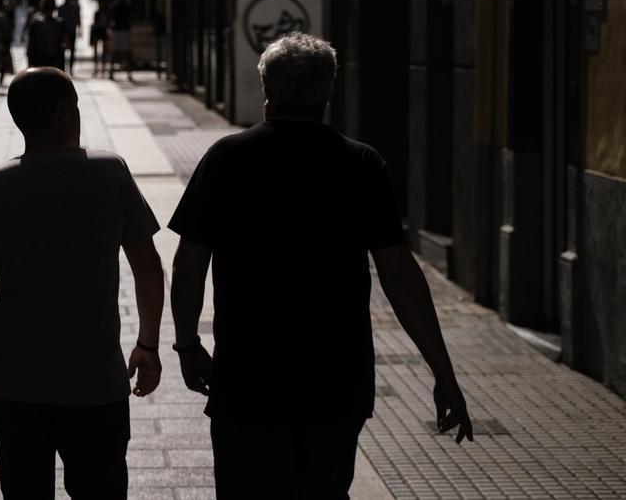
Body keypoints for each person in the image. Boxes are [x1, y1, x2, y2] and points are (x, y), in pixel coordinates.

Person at [167, 32, 473, 499]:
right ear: (328, 92)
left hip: (250, 379)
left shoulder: (227, 159)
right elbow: (399, 275)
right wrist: (443, 374)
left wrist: (188, 345)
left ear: (266, 91)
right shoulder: (361, 164)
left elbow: (189, 268)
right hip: (336, 381)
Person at [0, 67, 166, 499]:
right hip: (95, 378)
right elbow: (149, 266)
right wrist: (148, 344)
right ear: (64, 113)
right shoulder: (111, 173)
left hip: (16, 380)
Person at [26, 0, 65, 71]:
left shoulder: (36, 23)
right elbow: (65, 43)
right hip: (54, 59)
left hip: (40, 60)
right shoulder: (59, 23)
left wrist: (29, 62)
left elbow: (31, 45)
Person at [108, 0, 133, 81]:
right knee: (126, 53)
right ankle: (128, 73)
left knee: (115, 52)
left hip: (117, 30)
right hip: (124, 30)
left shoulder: (114, 6)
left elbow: (110, 18)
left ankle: (111, 72)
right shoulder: (127, 6)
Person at [59, 0, 81, 75]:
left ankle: (70, 67)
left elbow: (78, 18)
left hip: (71, 30)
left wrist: (80, 28)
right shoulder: (61, 8)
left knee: (72, 50)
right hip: (65, 31)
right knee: (64, 50)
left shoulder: (75, 7)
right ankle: (64, 67)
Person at [0, 0, 16, 87]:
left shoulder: (8, 15)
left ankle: (1, 76)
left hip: (5, 40)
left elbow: (11, 27)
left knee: (4, 59)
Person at [90, 6, 109, 77]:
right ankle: (96, 67)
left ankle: (103, 67)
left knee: (104, 50)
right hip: (98, 30)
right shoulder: (97, 13)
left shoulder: (106, 13)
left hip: (103, 31)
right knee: (96, 50)